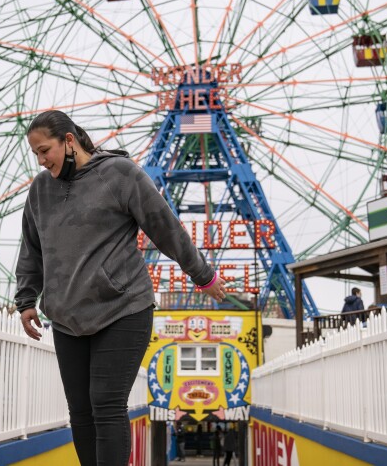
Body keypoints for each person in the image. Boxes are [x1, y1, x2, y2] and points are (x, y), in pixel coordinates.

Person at [15, 111, 229, 466]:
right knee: (80, 411)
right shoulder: (40, 190)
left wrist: (202, 274)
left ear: (69, 140)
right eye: (36, 154)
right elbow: (31, 249)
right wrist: (26, 300)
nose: (41, 160)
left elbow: (164, 227)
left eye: (45, 150)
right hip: (67, 317)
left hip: (123, 308)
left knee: (106, 403)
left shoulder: (119, 174)